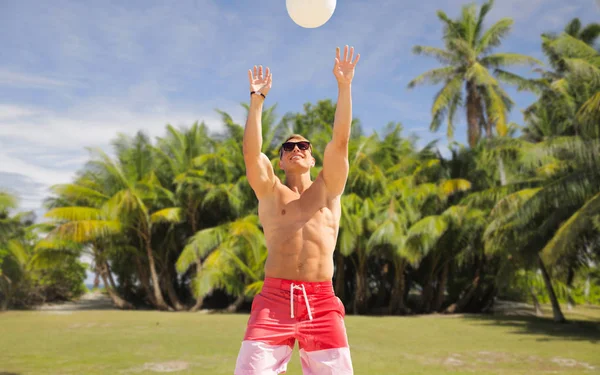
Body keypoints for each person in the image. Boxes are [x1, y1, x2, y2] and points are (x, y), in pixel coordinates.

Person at [234, 45, 360, 375]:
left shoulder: (328, 188)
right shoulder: (272, 193)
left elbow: (341, 142)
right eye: (288, 147)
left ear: (312, 157)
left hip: (321, 302)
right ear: (280, 159)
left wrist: (344, 87)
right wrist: (256, 102)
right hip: (274, 301)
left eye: (303, 145)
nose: (295, 150)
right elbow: (250, 154)